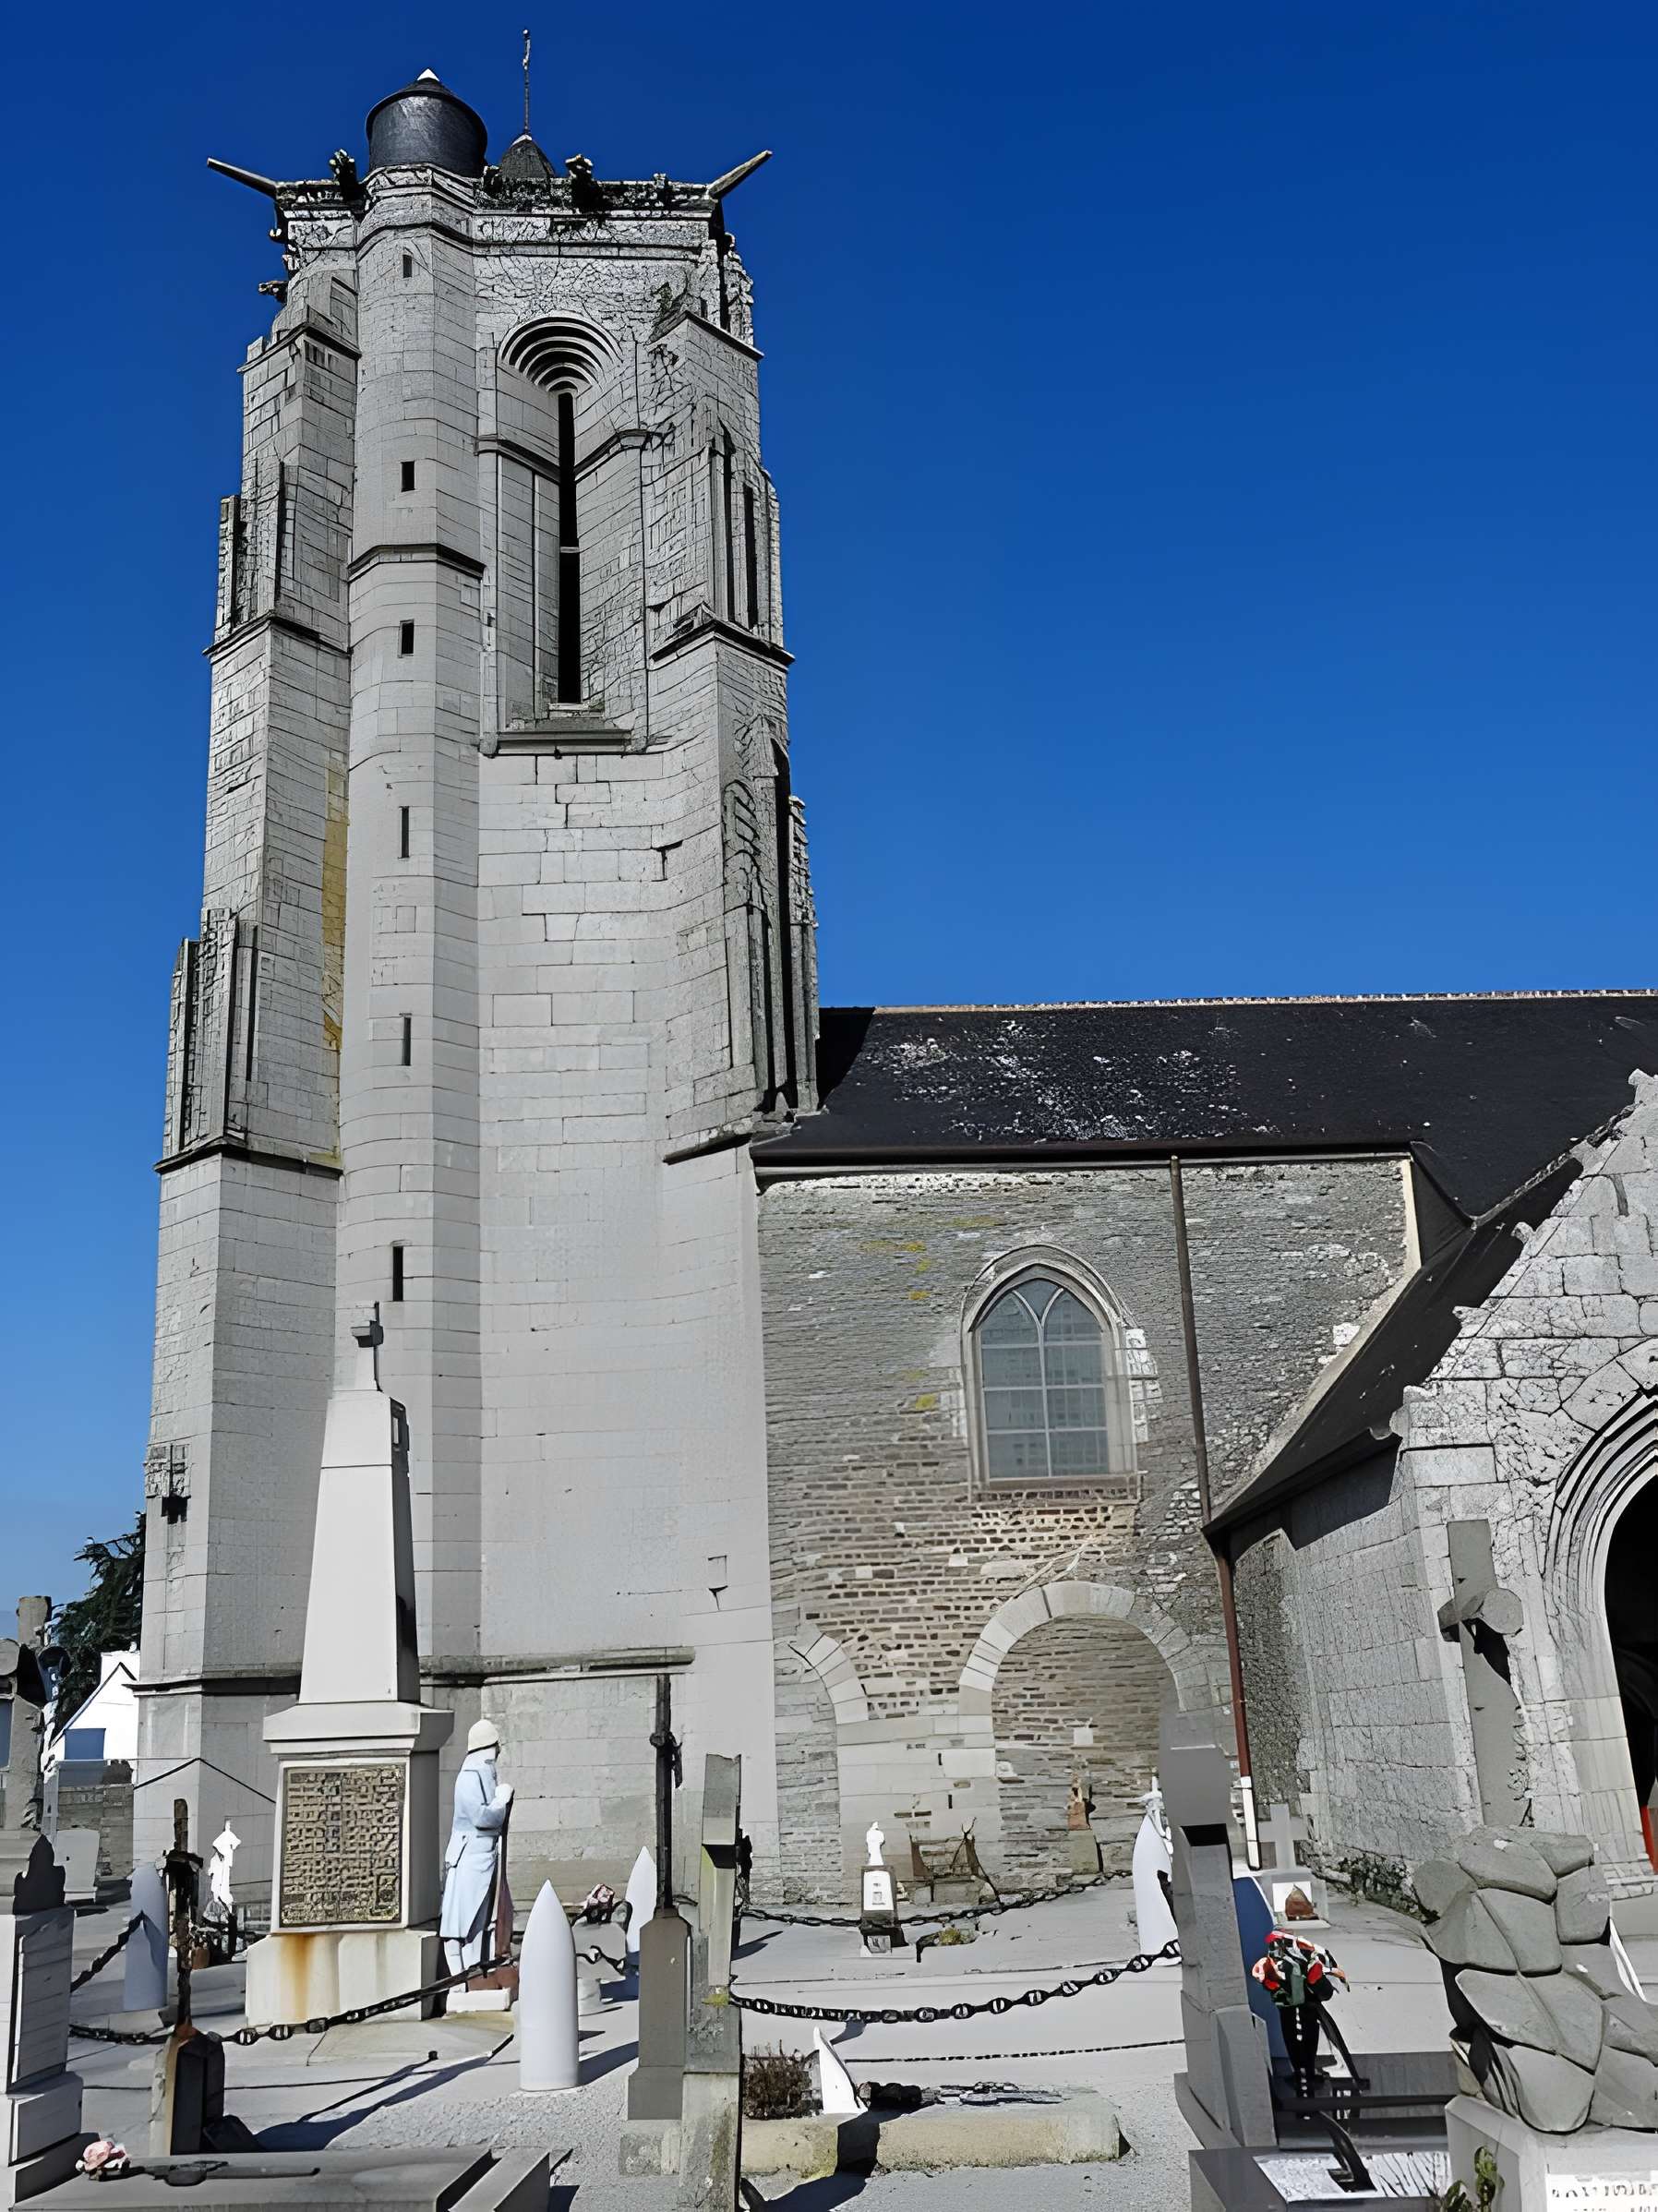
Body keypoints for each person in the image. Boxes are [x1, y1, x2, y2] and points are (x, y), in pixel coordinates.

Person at [439, 1718, 513, 1975]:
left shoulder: (484, 1773)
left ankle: (475, 1974)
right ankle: (460, 1980)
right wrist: (501, 1803)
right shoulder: (470, 1776)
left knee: (480, 1923)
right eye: (495, 1748)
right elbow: (481, 1818)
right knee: (461, 1923)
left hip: (484, 1857)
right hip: (469, 1857)